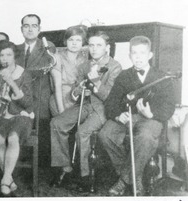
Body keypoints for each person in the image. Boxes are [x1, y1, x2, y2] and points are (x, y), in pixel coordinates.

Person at [98, 36, 175, 196]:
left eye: (142, 53)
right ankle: (135, 177)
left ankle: (123, 180)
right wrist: (119, 116)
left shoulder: (162, 77)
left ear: (150, 55)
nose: (138, 57)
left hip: (152, 119)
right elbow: (111, 102)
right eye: (134, 53)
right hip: (128, 117)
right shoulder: (123, 76)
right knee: (106, 134)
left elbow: (169, 106)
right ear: (129, 56)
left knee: (145, 137)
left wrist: (151, 113)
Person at [50, 31, 122, 190]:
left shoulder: (115, 66)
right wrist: (78, 91)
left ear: (107, 48)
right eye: (91, 45)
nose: (94, 49)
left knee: (82, 132)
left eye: (99, 45)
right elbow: (75, 91)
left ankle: (85, 176)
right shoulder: (84, 66)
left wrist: (95, 81)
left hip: (102, 108)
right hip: (84, 105)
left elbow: (109, 97)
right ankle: (65, 168)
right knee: (56, 122)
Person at [0, 40, 34, 196]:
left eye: (8, 55)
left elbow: (28, 103)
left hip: (21, 116)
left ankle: (5, 179)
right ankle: (9, 179)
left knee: (12, 138)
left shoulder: (24, 74)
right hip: (1, 116)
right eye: (1, 55)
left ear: (14, 57)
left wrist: (11, 82)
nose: (5, 59)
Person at [16, 14, 55, 166]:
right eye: (26, 26)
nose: (30, 29)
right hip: (18, 101)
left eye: (34, 26)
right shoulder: (16, 49)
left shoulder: (47, 47)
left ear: (39, 29)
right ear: (21, 29)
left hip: (39, 102)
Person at [49, 25, 89, 116]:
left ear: (82, 42)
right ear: (65, 41)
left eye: (78, 40)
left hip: (76, 98)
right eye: (71, 40)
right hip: (60, 99)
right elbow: (57, 86)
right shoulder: (57, 57)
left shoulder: (84, 59)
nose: (74, 43)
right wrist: (61, 111)